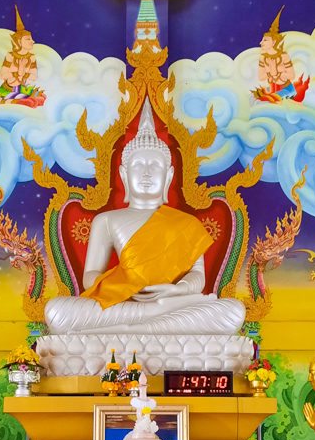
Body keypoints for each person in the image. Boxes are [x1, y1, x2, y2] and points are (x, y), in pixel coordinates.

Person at [44, 100, 245, 335]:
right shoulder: (106, 221)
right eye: (138, 165)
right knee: (57, 311)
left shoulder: (187, 223)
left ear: (168, 176)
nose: (147, 173)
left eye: (155, 166)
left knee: (233, 311)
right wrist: (124, 286)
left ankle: (126, 329)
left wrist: (177, 290)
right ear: (124, 174)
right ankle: (144, 325)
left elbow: (197, 276)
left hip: (172, 303)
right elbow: (90, 276)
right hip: (123, 304)